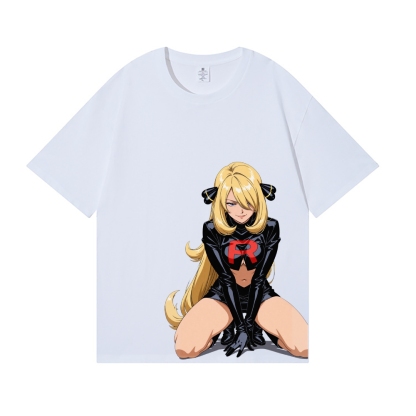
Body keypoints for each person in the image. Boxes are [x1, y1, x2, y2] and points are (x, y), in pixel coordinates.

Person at [164, 162, 308, 358]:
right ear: (221, 203)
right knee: (185, 349)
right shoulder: (211, 229)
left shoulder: (270, 227)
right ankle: (224, 326)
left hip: (260, 294)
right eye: (232, 203)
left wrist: (248, 324)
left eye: (247, 202)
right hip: (222, 295)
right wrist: (239, 326)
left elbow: (258, 278)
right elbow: (226, 278)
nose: (241, 211)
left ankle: (260, 326)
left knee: (305, 346)